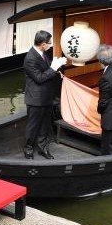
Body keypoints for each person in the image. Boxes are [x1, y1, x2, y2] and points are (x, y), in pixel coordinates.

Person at [23, 30, 67, 159]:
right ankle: (28, 149)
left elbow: (47, 69)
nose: (50, 45)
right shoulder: (30, 58)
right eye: (48, 43)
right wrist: (53, 68)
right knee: (33, 126)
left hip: (47, 97)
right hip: (35, 99)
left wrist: (56, 68)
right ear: (42, 44)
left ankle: (43, 148)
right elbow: (39, 78)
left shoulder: (43, 53)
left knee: (44, 125)